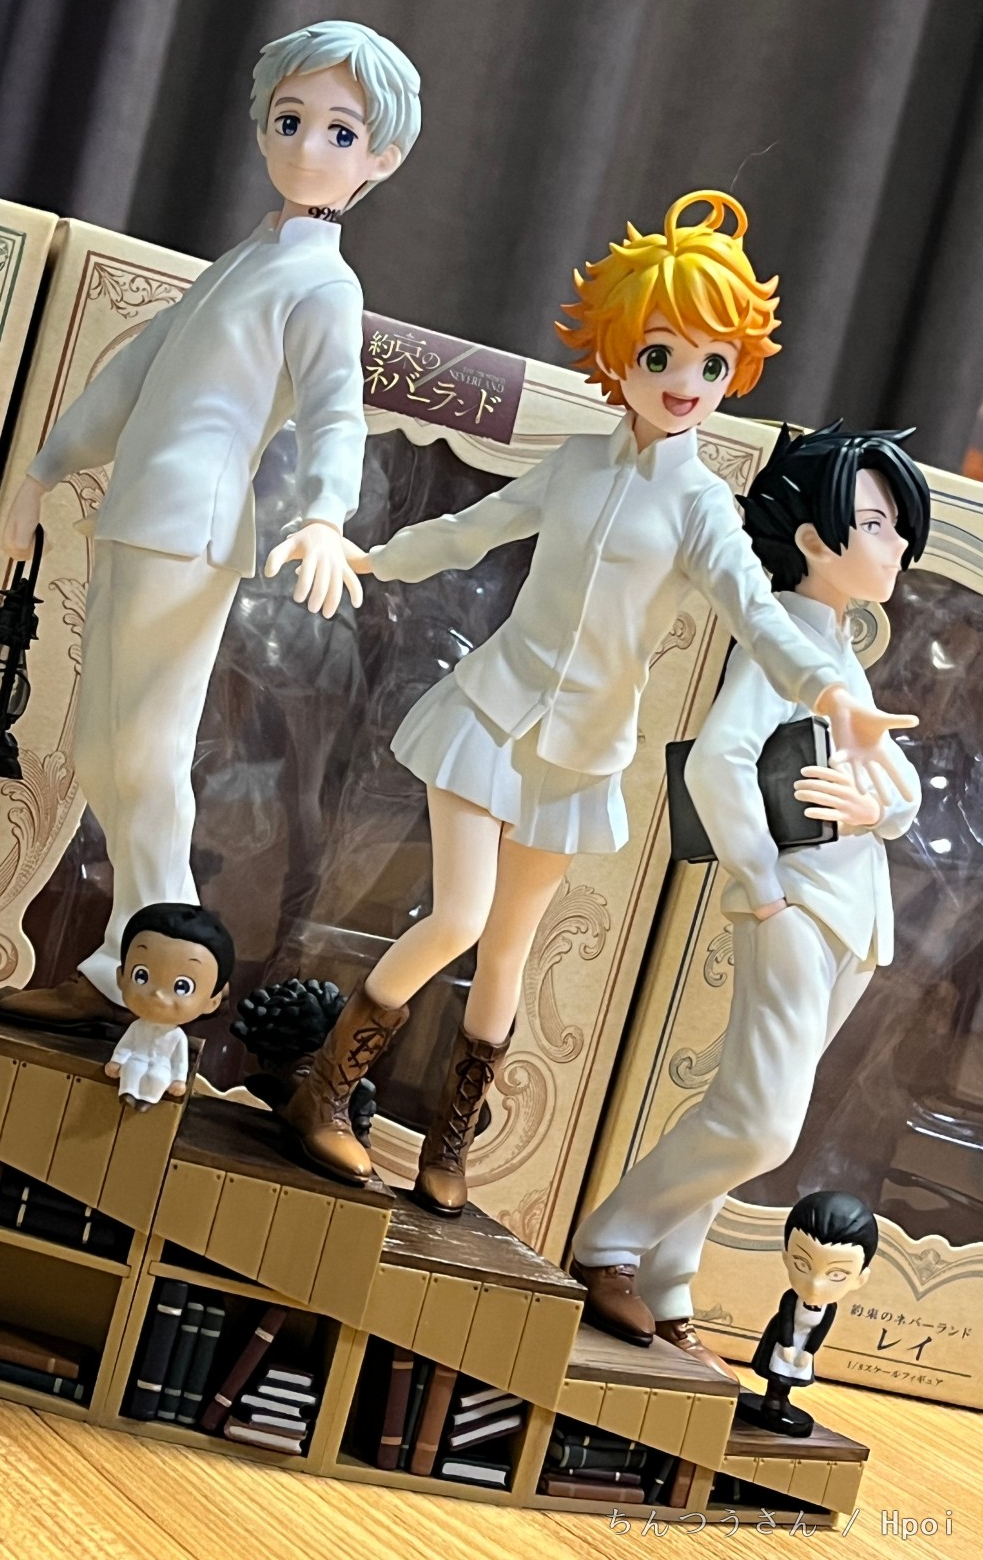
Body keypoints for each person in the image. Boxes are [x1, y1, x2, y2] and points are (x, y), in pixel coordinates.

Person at [277, 193, 920, 1214]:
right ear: (618, 354)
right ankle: (324, 1088)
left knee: (508, 949)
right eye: (662, 355)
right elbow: (474, 530)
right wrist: (371, 557)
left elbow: (758, 617)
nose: (686, 383)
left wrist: (833, 693)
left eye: (713, 365)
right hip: (492, 713)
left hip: (579, 751)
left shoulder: (704, 507)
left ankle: (449, 1142)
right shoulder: (576, 464)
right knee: (458, 917)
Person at [0, 21, 421, 1033]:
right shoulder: (249, 257)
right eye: (290, 119)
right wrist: (48, 465)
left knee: (146, 756)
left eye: (341, 132)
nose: (309, 145)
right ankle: (130, 960)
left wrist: (325, 513)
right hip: (140, 513)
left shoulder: (324, 283)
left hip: (191, 529)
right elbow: (138, 373)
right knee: (104, 755)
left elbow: (336, 410)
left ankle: (160, 973)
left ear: (381, 158)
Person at [570, 421, 926, 1371]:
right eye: (876, 524)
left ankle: (668, 1283)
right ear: (812, 539)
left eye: (897, 526)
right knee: (759, 1123)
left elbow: (901, 787)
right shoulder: (779, 645)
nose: (896, 544)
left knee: (753, 1111)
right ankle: (608, 1243)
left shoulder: (837, 649)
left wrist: (877, 808)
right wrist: (764, 886)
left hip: (852, 919)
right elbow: (717, 766)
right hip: (800, 908)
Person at [737, 1190, 878, 1436]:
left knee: (792, 1373)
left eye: (836, 1275)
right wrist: (787, 1344)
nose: (815, 1284)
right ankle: (773, 1398)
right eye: (802, 1264)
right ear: (786, 1257)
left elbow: (820, 1331)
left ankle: (782, 1400)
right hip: (783, 1339)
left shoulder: (829, 1308)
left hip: (803, 1345)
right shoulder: (791, 1299)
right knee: (777, 1369)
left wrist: (809, 1351)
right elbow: (786, 1321)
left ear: (860, 1278)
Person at [106, 903, 234, 1109]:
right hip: (137, 1058)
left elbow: (180, 1061)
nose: (157, 994)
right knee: (132, 1069)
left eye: (182, 987)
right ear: (121, 977)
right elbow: (126, 1045)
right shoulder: (137, 1027)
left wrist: (178, 1080)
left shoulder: (177, 1037)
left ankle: (147, 1099)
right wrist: (118, 1060)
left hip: (162, 1066)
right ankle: (129, 1093)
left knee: (158, 1078)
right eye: (141, 976)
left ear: (212, 1002)